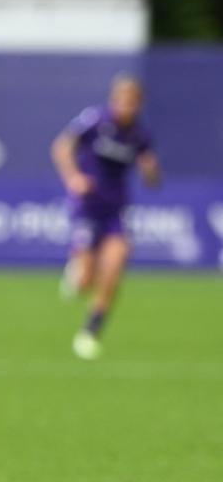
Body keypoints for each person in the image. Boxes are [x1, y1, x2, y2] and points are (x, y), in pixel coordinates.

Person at [51, 74, 160, 360]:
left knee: (114, 267)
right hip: (88, 205)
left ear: (139, 104)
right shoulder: (96, 120)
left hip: (116, 209)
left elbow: (152, 179)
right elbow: (62, 146)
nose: (127, 107)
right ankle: (77, 276)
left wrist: (150, 170)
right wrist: (73, 177)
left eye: (133, 102)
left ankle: (91, 331)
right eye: (123, 101)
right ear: (114, 100)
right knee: (86, 278)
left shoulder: (141, 135)